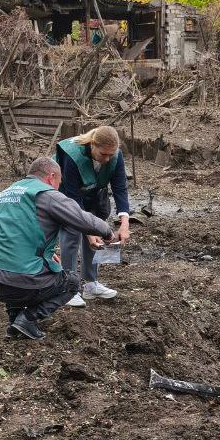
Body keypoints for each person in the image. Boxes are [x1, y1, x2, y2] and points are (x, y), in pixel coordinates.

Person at [0, 157, 114, 340]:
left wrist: (44, 254)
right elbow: (82, 218)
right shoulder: (46, 194)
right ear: (51, 177)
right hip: (20, 281)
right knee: (71, 281)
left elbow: (15, 233)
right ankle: (27, 318)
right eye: (58, 182)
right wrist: (107, 232)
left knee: (16, 268)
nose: (58, 187)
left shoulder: (4, 194)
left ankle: (14, 319)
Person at [53, 126, 130, 307]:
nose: (107, 159)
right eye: (103, 154)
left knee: (97, 235)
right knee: (72, 234)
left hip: (94, 196)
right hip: (68, 197)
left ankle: (90, 284)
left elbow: (120, 188)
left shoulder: (114, 156)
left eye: (111, 155)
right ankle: (69, 289)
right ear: (93, 145)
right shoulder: (72, 155)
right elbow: (73, 196)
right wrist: (87, 230)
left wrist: (124, 223)